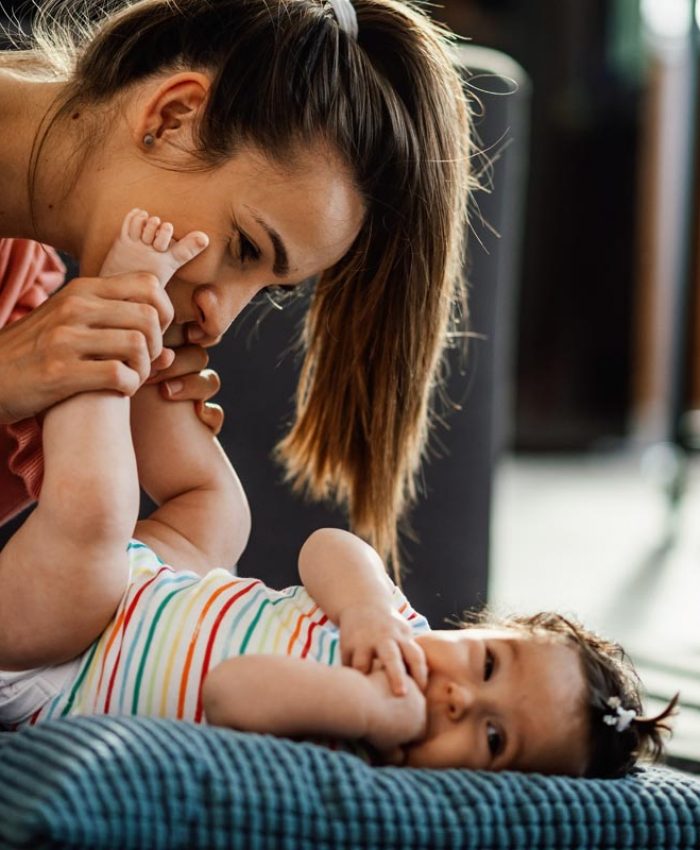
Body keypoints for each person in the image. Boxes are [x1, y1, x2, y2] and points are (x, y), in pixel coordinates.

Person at [0, 212, 676, 777]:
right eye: (487, 663)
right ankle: (158, 349)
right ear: (477, 629)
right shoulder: (396, 628)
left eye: (493, 739)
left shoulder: (356, 754)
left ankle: (106, 315)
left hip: (58, 662)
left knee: (97, 511)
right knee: (218, 510)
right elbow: (328, 546)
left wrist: (372, 711)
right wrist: (366, 610)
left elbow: (232, 691)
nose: (455, 697)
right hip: (150, 585)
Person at [0, 0, 472, 572]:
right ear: (173, 117)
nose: (217, 322)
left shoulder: (24, 282)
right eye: (246, 246)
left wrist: (91, 424)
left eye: (270, 289)